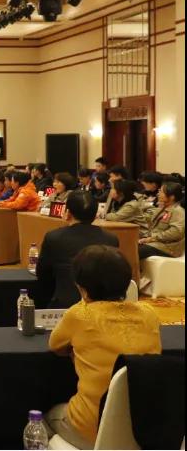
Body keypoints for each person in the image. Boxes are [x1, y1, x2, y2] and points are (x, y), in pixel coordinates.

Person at [47, 245, 160, 448]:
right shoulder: (149, 314)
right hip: (145, 430)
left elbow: (55, 345)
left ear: (81, 287)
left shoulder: (79, 315)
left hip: (91, 429)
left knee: (44, 418)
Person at [35, 190, 118, 309]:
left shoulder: (54, 237)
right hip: (104, 306)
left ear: (67, 213)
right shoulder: (111, 239)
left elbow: (43, 274)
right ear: (95, 215)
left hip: (65, 305)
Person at [138, 182, 185, 259]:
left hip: (167, 247)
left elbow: (175, 233)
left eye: (161, 192)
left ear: (172, 197)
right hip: (155, 243)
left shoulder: (178, 211)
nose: (158, 194)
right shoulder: (162, 208)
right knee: (129, 245)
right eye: (159, 191)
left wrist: (152, 238)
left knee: (135, 250)